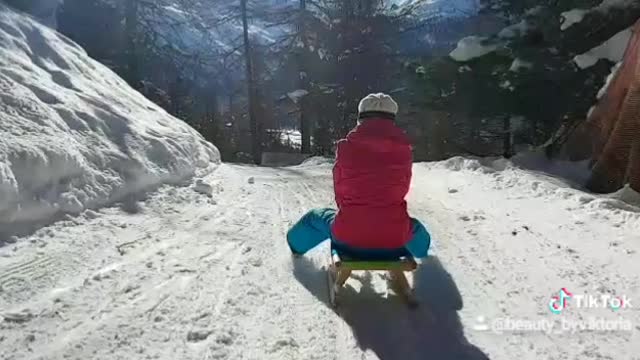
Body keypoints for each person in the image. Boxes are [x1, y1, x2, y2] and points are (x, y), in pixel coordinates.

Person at [287, 93, 431, 260]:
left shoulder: (346, 149)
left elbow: (340, 192)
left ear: (361, 118)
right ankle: (425, 257)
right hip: (394, 239)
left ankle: (295, 248)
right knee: (413, 228)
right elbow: (401, 189)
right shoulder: (404, 150)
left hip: (348, 237)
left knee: (316, 217)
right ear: (392, 119)